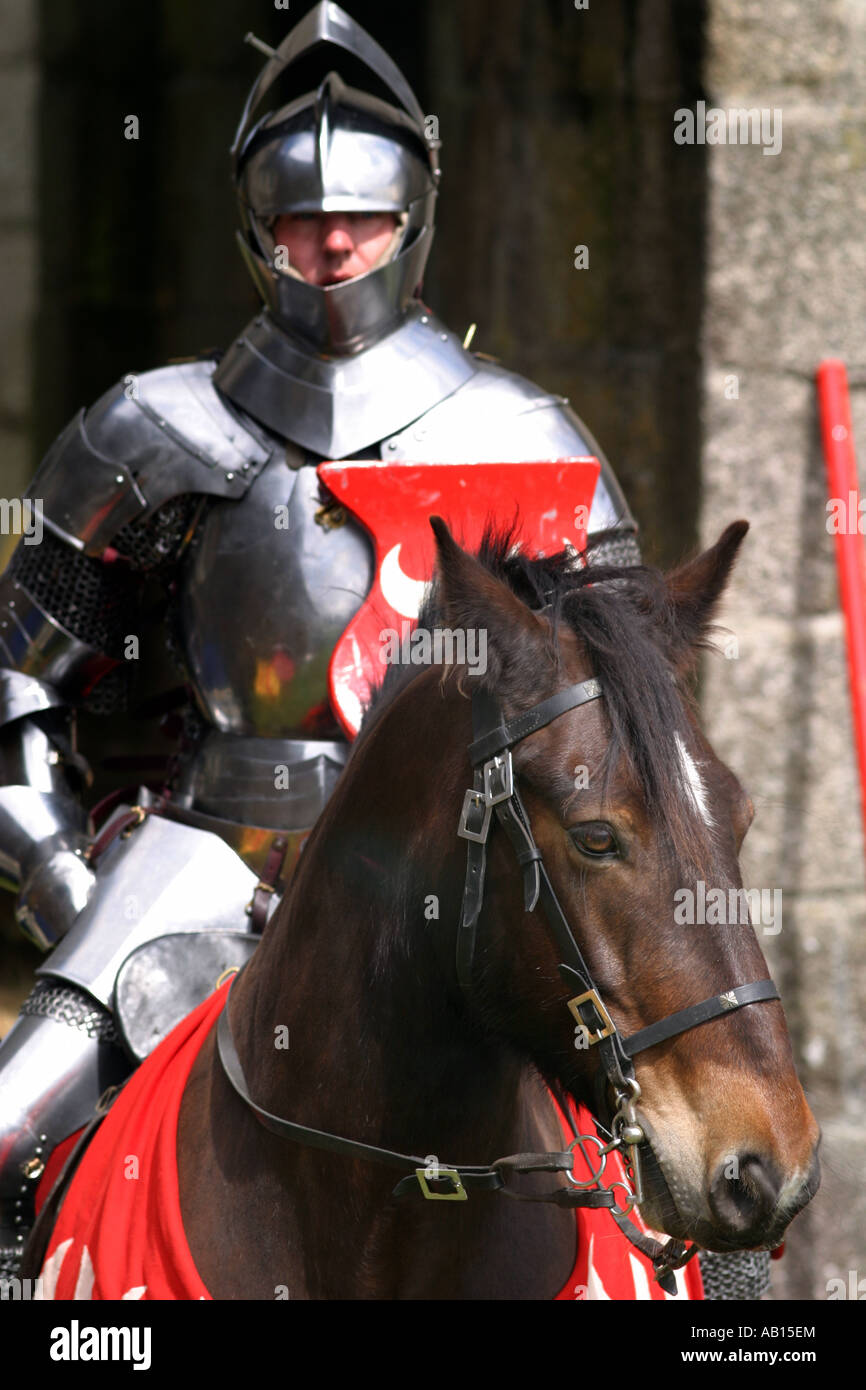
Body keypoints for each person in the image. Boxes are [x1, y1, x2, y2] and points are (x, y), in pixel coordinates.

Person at [0, 3, 761, 1300]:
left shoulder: (535, 444)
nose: (332, 244)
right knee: (11, 1122)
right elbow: (18, 682)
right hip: (203, 856)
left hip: (464, 868)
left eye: (359, 217)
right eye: (303, 221)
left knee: (708, 1229)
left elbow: (633, 725)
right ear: (257, 229)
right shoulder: (151, 430)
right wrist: (70, 888)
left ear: (414, 219)